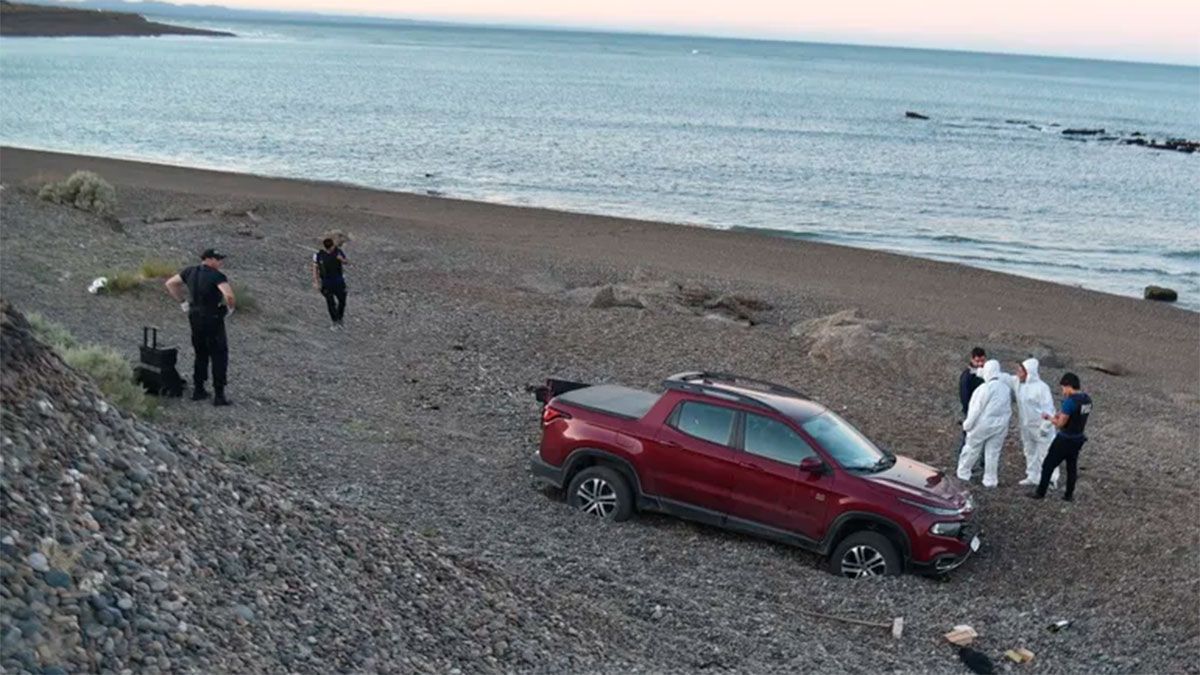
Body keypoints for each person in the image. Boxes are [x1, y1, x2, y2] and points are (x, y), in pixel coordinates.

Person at [164, 248, 236, 406]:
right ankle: (219, 395)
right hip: (213, 316)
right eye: (218, 259)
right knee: (218, 354)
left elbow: (170, 283)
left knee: (200, 352)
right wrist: (230, 309)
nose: (220, 262)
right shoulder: (217, 276)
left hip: (195, 315)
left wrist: (183, 302)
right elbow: (229, 295)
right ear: (209, 259)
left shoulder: (190, 271)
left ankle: (198, 389)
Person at [1031, 372, 1092, 502]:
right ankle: (1069, 495)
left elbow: (1060, 423)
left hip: (1065, 439)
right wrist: (1060, 414)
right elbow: (1071, 415)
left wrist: (1050, 418)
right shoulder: (1087, 400)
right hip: (1078, 438)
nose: (1063, 391)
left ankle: (1040, 492)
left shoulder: (1070, 402)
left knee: (1048, 465)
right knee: (1072, 467)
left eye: (1063, 388)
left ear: (1069, 386)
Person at [999, 359, 1060, 487]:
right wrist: (984, 371)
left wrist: (1046, 426)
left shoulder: (1042, 388)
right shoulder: (1018, 383)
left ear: (1028, 372)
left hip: (1041, 427)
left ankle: (1051, 479)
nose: (1017, 373)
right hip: (1026, 426)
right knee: (1030, 451)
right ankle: (1033, 476)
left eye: (1020, 371)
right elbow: (1005, 378)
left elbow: (1049, 409)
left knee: (1046, 453)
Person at [956, 359, 1011, 488]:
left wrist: (967, 425)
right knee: (992, 453)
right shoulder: (1005, 388)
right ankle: (990, 480)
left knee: (972, 449)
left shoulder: (984, 388)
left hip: (982, 425)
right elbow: (1007, 409)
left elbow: (976, 409)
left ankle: (963, 473)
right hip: (999, 426)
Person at [956, 347, 987, 460]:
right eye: (977, 361)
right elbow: (964, 396)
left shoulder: (985, 374)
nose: (980, 364)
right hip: (971, 412)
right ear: (972, 359)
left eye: (982, 361)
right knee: (968, 439)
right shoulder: (967, 376)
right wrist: (969, 413)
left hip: (984, 412)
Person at [312, 238, 348, 329]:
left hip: (339, 281)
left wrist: (341, 259)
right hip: (326, 283)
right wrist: (316, 281)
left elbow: (346, 261)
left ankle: (340, 318)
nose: (333, 248)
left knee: (342, 301)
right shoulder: (319, 255)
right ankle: (335, 321)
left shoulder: (338, 252)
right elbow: (315, 268)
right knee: (330, 302)